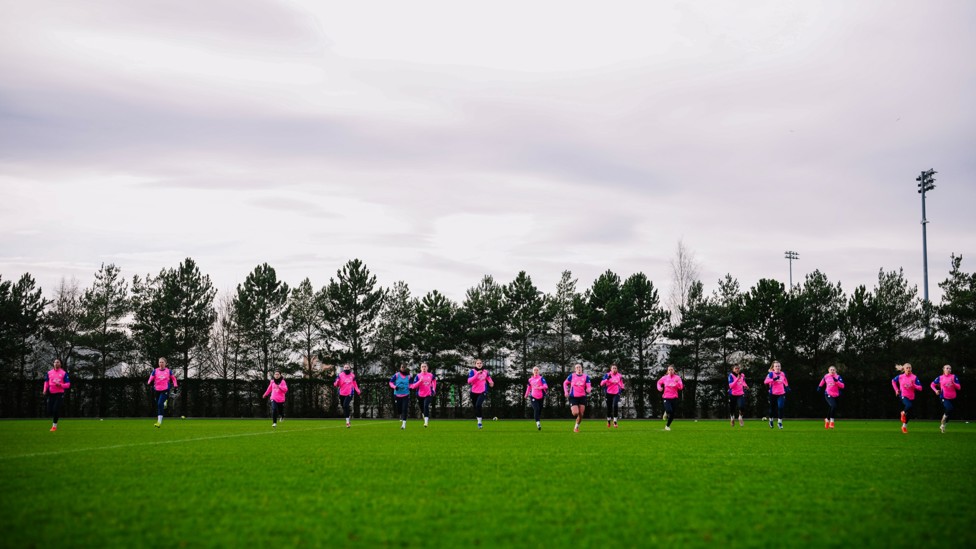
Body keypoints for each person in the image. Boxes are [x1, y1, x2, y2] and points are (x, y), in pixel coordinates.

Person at [147, 357, 178, 428]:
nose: (161, 364)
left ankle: (159, 422)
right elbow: (151, 378)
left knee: (159, 403)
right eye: (160, 362)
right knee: (159, 405)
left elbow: (174, 379)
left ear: (165, 363)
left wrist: (175, 386)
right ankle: (165, 402)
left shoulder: (168, 371)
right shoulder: (155, 371)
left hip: (165, 390)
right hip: (157, 390)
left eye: (162, 362)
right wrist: (149, 383)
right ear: (158, 363)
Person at [892, 363, 923, 434]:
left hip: (911, 397)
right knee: (908, 405)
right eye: (907, 368)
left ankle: (904, 427)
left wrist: (914, 385)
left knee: (910, 414)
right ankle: (903, 412)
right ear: (904, 369)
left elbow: (920, 388)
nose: (909, 369)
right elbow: (893, 381)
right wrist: (896, 390)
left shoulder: (914, 377)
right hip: (903, 395)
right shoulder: (900, 377)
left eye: (910, 368)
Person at [42, 359, 71, 432]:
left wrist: (60, 385)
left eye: (58, 362)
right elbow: (46, 382)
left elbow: (68, 385)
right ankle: (56, 415)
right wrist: (45, 389)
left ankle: (54, 426)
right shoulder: (49, 373)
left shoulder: (64, 373)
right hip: (50, 393)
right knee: (49, 411)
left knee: (55, 410)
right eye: (55, 362)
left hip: (59, 394)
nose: (56, 363)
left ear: (60, 364)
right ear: (53, 364)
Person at [930, 364, 961, 434]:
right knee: (949, 408)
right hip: (944, 397)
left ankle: (943, 425)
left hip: (953, 397)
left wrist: (954, 383)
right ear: (943, 369)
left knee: (950, 412)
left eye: (950, 368)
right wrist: (935, 390)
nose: (949, 369)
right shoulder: (940, 378)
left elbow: (959, 387)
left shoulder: (954, 377)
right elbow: (932, 384)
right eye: (947, 368)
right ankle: (944, 417)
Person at [563, 363, 592, 433]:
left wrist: (589, 389)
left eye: (580, 367)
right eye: (577, 367)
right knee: (575, 413)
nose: (579, 368)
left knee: (581, 414)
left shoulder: (586, 377)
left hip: (582, 397)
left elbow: (589, 385)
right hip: (573, 397)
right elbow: (565, 383)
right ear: (575, 369)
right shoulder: (572, 376)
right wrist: (566, 392)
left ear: (582, 368)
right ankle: (575, 412)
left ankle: (576, 427)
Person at [467, 359, 494, 429]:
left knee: (478, 405)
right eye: (477, 363)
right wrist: (477, 374)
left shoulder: (485, 371)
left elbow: (488, 377)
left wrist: (491, 382)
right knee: (476, 407)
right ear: (475, 364)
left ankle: (479, 422)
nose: (479, 364)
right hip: (474, 392)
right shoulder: (472, 371)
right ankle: (478, 418)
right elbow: (469, 381)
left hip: (483, 391)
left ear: (482, 364)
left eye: (480, 363)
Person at [656, 365, 684, 431]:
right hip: (666, 397)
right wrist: (659, 388)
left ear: (674, 371)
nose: (670, 371)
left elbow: (681, 387)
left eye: (672, 370)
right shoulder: (664, 378)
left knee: (672, 414)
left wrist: (677, 384)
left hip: (674, 398)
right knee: (669, 410)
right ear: (667, 371)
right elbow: (658, 383)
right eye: (669, 370)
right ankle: (666, 412)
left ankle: (667, 426)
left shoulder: (677, 378)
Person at [410, 362, 437, 428]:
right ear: (420, 368)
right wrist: (420, 381)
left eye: (425, 366)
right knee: (422, 408)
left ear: (427, 368)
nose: (424, 368)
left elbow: (434, 381)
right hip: (420, 395)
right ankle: (423, 414)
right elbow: (413, 386)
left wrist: (433, 389)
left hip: (428, 394)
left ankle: (426, 422)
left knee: (426, 406)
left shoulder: (430, 375)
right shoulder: (418, 376)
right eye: (422, 366)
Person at [334, 364, 361, 428]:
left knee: (345, 405)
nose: (346, 368)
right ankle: (348, 417)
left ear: (350, 368)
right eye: (345, 367)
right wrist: (337, 381)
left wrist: (358, 390)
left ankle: (347, 422)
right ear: (343, 368)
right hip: (341, 393)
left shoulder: (352, 375)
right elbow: (335, 384)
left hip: (349, 393)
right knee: (343, 406)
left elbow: (355, 384)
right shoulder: (340, 375)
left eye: (347, 367)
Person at [764, 361, 789, 429]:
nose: (778, 367)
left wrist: (787, 386)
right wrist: (774, 379)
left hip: (781, 393)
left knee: (781, 407)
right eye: (776, 366)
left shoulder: (782, 374)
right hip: (773, 394)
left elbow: (785, 380)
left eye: (779, 366)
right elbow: (765, 381)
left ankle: (779, 422)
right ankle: (771, 420)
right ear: (773, 368)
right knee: (773, 409)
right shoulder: (771, 374)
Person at [599, 364, 624, 428]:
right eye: (613, 368)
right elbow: (601, 384)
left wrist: (622, 388)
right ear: (611, 369)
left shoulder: (619, 375)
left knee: (615, 405)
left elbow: (621, 383)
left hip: (616, 392)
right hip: (609, 393)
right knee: (609, 407)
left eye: (615, 368)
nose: (614, 369)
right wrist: (607, 379)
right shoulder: (607, 375)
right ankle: (608, 420)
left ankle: (615, 421)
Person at [390, 365, 412, 429]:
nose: (403, 368)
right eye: (402, 367)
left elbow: (411, 384)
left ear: (406, 368)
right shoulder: (396, 375)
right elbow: (390, 382)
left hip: (406, 395)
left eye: (404, 367)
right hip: (397, 394)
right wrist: (394, 387)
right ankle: (400, 414)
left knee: (404, 409)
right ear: (400, 368)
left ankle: (403, 424)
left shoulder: (409, 376)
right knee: (399, 409)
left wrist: (410, 387)